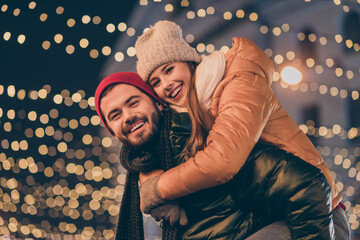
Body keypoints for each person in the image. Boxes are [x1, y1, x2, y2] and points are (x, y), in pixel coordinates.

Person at [134, 20, 349, 239]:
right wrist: (148, 174)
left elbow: (223, 160)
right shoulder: (192, 110)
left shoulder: (238, 81)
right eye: (156, 82)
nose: (166, 84)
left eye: (169, 70)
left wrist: (159, 188)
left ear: (188, 62)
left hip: (317, 211)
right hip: (273, 212)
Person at [95, 72, 336, 240]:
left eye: (133, 103)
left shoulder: (201, 141)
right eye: (115, 115)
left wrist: (160, 187)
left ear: (158, 104)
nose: (127, 116)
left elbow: (308, 186)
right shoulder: (147, 167)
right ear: (113, 131)